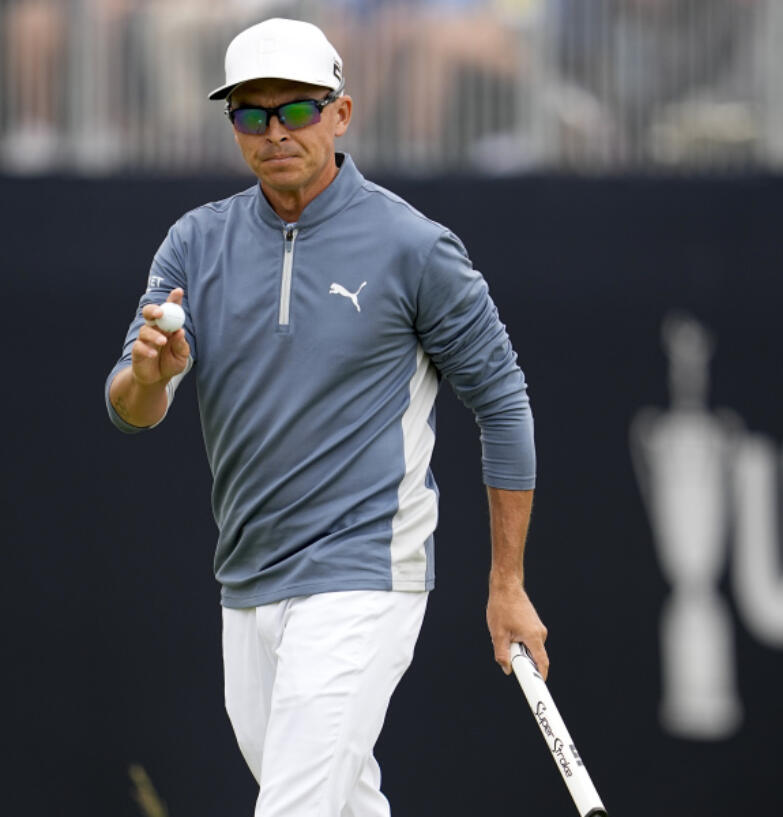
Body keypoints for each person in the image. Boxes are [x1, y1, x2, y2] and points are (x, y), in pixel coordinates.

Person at [103, 17, 548, 817]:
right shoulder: (193, 245)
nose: (276, 133)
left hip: (364, 572)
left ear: (341, 114)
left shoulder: (415, 247)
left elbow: (503, 403)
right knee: (341, 801)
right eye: (251, 114)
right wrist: (147, 375)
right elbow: (132, 409)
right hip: (247, 577)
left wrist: (506, 582)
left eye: (298, 110)